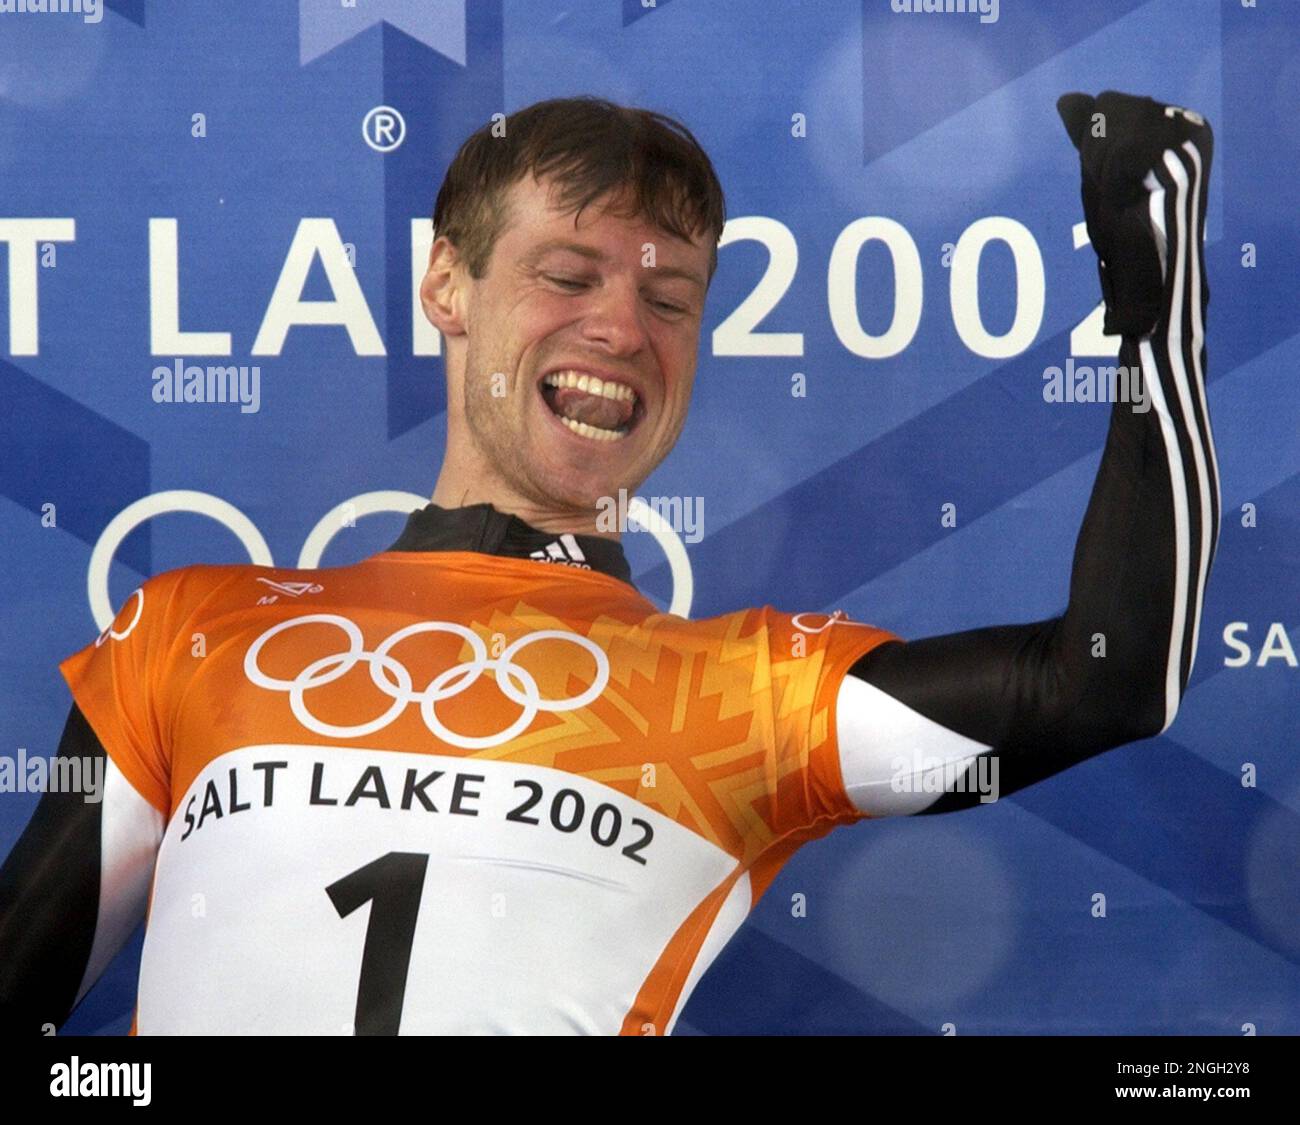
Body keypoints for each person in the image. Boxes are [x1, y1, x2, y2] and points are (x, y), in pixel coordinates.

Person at [0, 91, 1218, 1035]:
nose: (623, 329)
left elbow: (1101, 684)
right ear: (446, 283)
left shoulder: (743, 691)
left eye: (672, 299)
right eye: (566, 275)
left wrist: (1154, 308)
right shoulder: (196, 627)